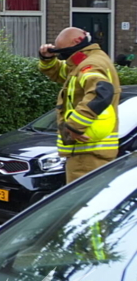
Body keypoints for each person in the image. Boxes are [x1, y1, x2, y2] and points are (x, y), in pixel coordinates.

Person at [39, 27, 121, 183]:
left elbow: (100, 92)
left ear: (76, 41)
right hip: (90, 151)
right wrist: (48, 60)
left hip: (87, 153)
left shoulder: (90, 64)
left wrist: (75, 126)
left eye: (63, 51)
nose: (63, 55)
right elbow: (63, 73)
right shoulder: (89, 60)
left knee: (82, 198)